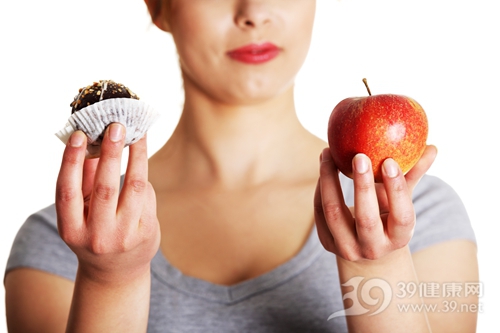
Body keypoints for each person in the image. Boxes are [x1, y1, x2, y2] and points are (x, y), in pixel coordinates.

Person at [4, 0, 478, 332]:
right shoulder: (61, 243)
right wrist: (109, 280)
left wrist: (380, 265)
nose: (254, 11)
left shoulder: (425, 217)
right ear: (157, 6)